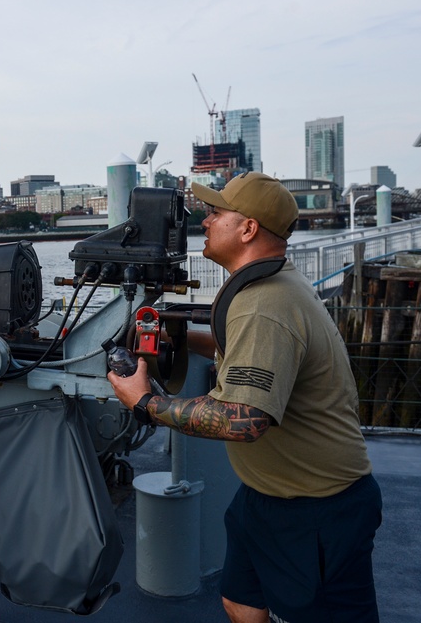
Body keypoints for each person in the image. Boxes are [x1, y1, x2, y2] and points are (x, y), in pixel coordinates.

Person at [109, 172, 382, 623]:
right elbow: (240, 350)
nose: (206, 220)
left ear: (248, 228)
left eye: (216, 212)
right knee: (241, 602)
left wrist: (146, 403)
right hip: (266, 495)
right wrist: (175, 333)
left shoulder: (264, 304)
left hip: (317, 508)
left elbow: (244, 419)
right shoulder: (272, 286)